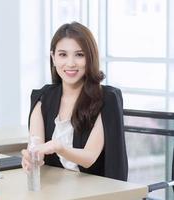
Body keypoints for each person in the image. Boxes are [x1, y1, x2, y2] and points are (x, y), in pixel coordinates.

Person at [21, 22, 128, 181]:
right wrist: (32, 159)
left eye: (79, 55)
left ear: (90, 58)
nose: (70, 63)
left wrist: (59, 147)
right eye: (63, 55)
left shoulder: (107, 98)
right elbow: (37, 148)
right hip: (55, 188)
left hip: (97, 191)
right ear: (53, 57)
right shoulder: (42, 97)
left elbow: (89, 157)